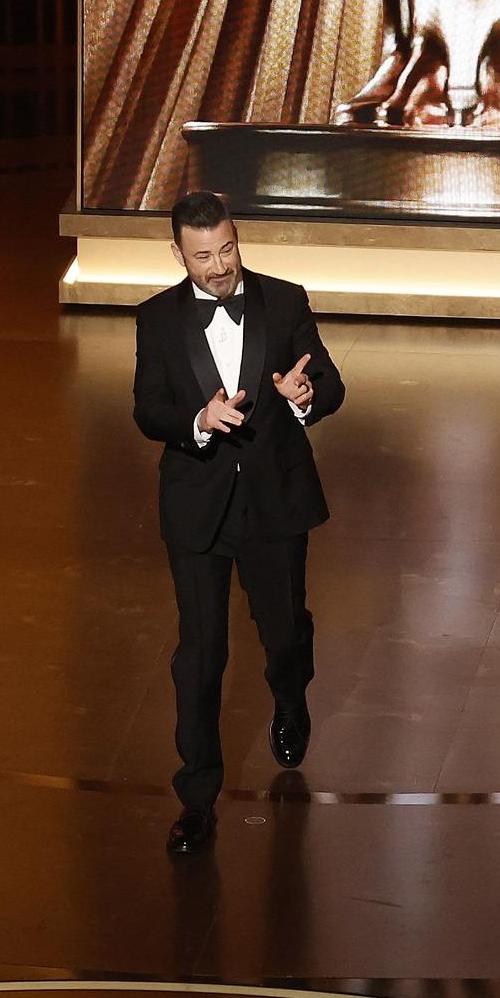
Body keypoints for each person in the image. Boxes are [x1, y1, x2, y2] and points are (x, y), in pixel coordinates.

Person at [133, 192, 346, 855]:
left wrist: (306, 396)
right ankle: (197, 798)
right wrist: (198, 420)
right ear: (178, 255)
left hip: (273, 500)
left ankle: (290, 695)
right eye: (203, 256)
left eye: (227, 249)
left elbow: (331, 382)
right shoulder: (158, 318)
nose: (219, 266)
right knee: (200, 657)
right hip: (197, 507)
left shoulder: (285, 301)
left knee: (282, 633)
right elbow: (148, 408)